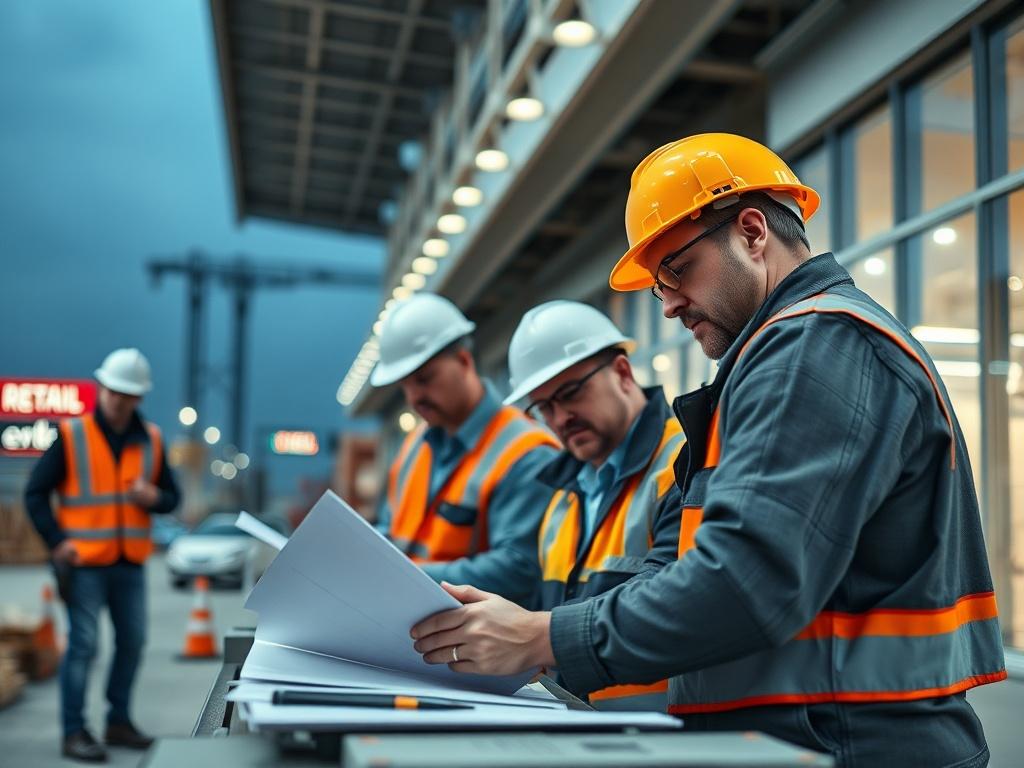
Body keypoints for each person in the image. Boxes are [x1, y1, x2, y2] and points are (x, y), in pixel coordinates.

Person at [409, 134, 1006, 767]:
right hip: (821, 738)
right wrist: (525, 629)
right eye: (657, 285)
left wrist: (540, 636)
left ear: (752, 232)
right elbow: (676, 565)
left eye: (677, 271)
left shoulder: (816, 346)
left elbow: (745, 582)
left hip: (854, 746)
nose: (667, 305)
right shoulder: (773, 362)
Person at [504, 300, 684, 710]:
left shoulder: (684, 464)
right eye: (543, 407)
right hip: (577, 729)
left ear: (622, 373)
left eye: (570, 393)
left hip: (664, 736)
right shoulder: (563, 500)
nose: (561, 417)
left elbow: (679, 607)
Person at [25, 348, 180, 763]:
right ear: (101, 388)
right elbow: (35, 492)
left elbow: (173, 498)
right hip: (85, 563)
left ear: (139, 398)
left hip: (129, 561)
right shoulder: (73, 435)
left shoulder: (153, 441)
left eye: (126, 394)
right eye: (112, 391)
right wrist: (57, 540)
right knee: (83, 647)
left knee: (132, 642)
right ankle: (74, 732)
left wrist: (155, 497)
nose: (117, 400)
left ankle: (118, 722)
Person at [371, 293, 559, 606]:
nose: (415, 397)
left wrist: (402, 577)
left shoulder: (528, 452)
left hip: (474, 641)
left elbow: (517, 569)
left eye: (425, 379)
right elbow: (391, 530)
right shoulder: (415, 445)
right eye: (405, 385)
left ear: (464, 361)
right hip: (406, 621)